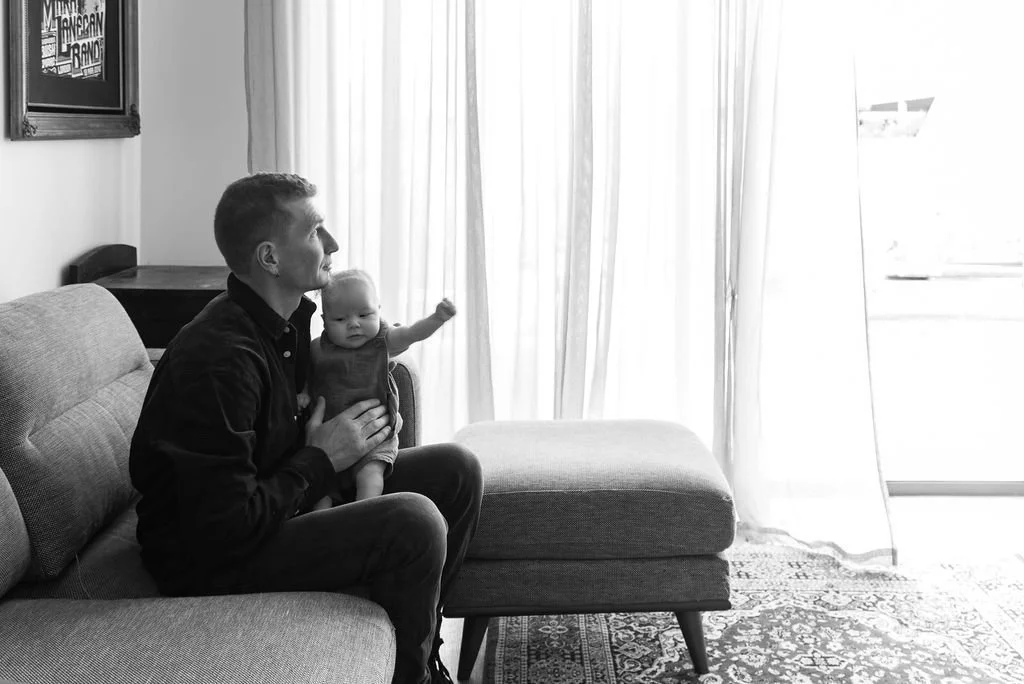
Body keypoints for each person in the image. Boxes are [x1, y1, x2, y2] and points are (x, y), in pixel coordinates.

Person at [129, 172, 482, 684]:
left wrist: (357, 431)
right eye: (316, 230)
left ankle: (420, 650)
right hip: (209, 559)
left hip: (274, 503)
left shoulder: (288, 325)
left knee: (456, 468)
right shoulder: (219, 360)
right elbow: (224, 529)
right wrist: (322, 459)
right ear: (270, 258)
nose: (333, 243)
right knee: (414, 520)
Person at [305, 269, 456, 506]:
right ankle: (323, 526)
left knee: (371, 478)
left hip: (374, 440)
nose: (354, 324)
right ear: (324, 321)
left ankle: (364, 515)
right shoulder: (318, 348)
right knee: (320, 493)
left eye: (364, 314)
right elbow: (307, 377)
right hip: (329, 442)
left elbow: (412, 334)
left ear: (378, 310)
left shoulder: (381, 342)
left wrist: (436, 319)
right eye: (340, 320)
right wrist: (303, 394)